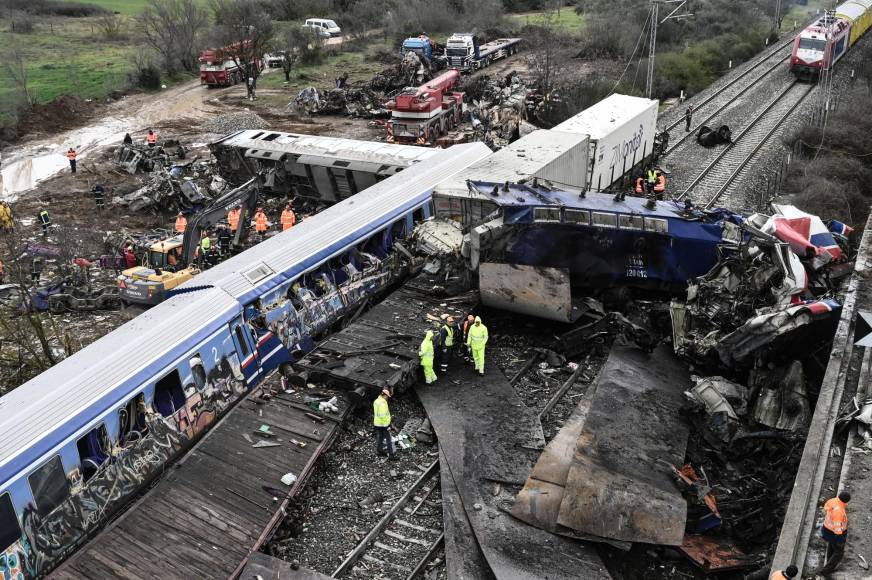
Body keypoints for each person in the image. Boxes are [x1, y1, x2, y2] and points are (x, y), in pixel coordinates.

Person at [819, 491, 850, 574]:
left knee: (832, 547)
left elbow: (826, 507)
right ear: (846, 501)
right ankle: (826, 570)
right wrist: (840, 538)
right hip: (835, 533)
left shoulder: (833, 500)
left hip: (827, 529)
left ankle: (829, 562)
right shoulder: (839, 511)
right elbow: (837, 526)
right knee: (839, 553)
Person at [372, 388, 397, 460]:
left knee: (380, 437)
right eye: (387, 396)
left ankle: (379, 451)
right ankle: (391, 456)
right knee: (388, 439)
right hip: (383, 425)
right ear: (384, 395)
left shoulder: (376, 401)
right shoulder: (382, 403)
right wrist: (388, 425)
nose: (387, 398)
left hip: (377, 424)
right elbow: (383, 416)